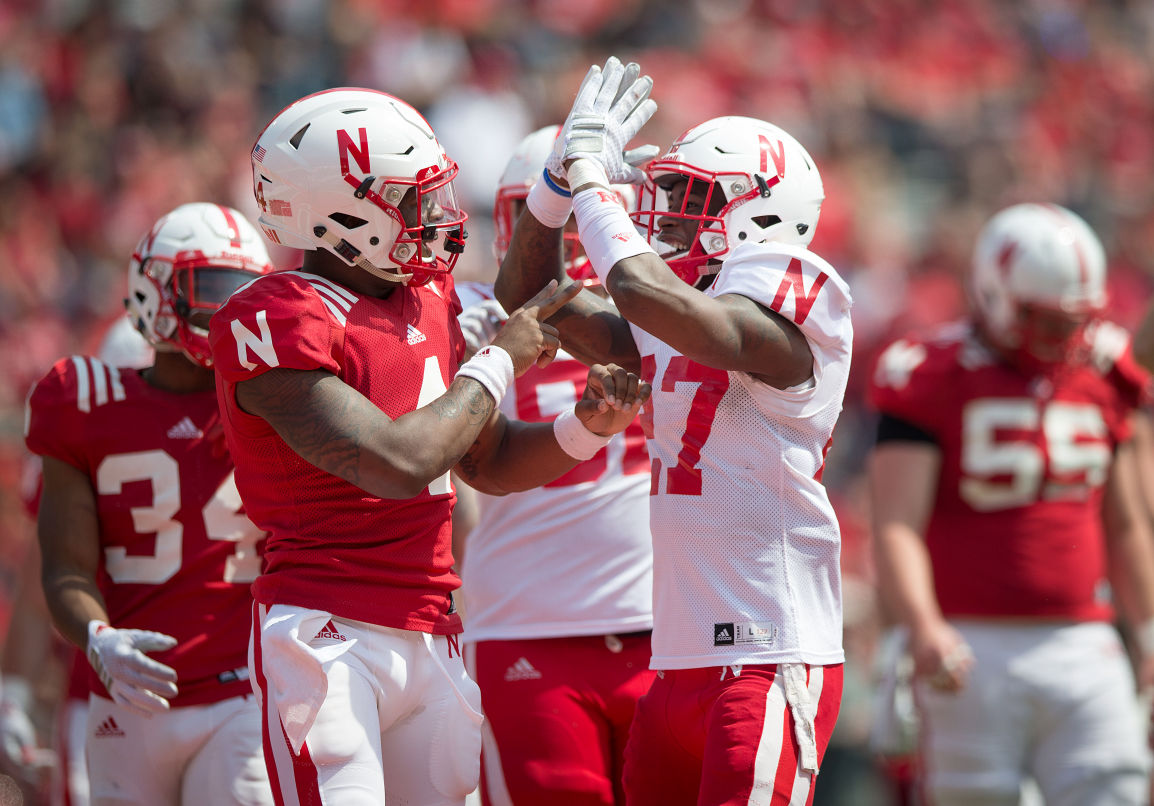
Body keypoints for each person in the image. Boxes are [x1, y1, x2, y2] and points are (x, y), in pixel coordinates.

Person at [208, 88, 650, 806]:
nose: (436, 216)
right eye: (409, 200)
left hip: (431, 626)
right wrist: (498, 358)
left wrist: (583, 428)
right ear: (337, 213)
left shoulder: (430, 294)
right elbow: (396, 463)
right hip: (327, 632)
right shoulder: (274, 313)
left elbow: (487, 460)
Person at [495, 58, 852, 804]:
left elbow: (641, 289)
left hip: (768, 653)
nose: (673, 216)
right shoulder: (683, 307)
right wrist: (557, 183)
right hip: (680, 660)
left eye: (692, 199)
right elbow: (529, 293)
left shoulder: (795, 300)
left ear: (759, 210)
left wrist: (594, 181)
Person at [868, 202, 1154, 806]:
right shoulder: (931, 374)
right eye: (1044, 320)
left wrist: (1151, 633)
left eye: (1074, 320)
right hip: (968, 643)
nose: (1064, 338)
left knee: (1115, 791)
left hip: (1084, 639)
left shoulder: (1104, 373)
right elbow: (896, 523)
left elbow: (1127, 523)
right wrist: (922, 625)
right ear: (994, 295)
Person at [25, 202, 277, 806]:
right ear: (154, 289)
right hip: (128, 696)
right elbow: (64, 567)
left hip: (243, 694)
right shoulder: (81, 400)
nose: (228, 309)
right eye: (212, 288)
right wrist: (95, 635)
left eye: (246, 292)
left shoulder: (279, 400)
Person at [456, 125, 654, 806]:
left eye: (583, 214)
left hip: (666, 627)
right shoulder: (470, 316)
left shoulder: (671, 316)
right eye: (552, 214)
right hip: (525, 624)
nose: (570, 236)